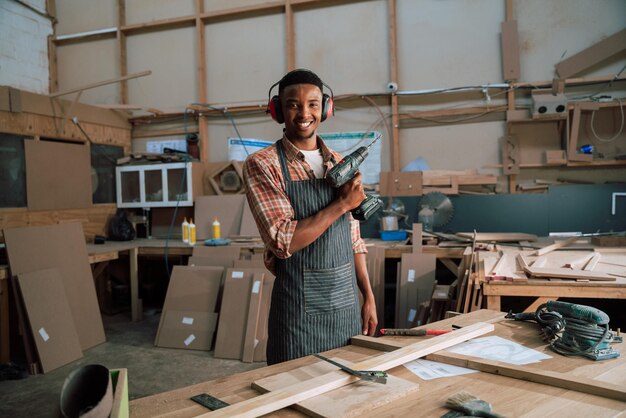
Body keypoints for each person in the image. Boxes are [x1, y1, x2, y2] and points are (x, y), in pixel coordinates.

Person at [243, 68, 378, 365]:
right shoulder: (263, 165)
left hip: (345, 306)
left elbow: (353, 240)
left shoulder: (340, 163)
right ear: (278, 110)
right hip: (297, 314)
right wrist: (341, 205)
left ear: (325, 109)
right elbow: (282, 241)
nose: (304, 113)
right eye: (293, 104)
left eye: (313, 104)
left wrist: (367, 296)